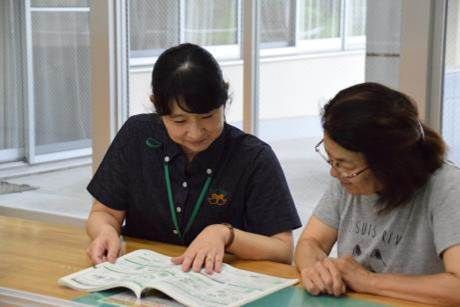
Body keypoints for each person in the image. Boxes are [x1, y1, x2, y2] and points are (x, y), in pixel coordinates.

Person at [86, 43, 301, 274]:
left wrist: (225, 235)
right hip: (142, 278)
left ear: (224, 100)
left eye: (208, 116)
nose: (196, 132)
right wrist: (106, 231)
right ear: (157, 106)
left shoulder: (253, 158)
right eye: (179, 121)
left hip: (217, 283)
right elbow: (104, 213)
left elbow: (282, 250)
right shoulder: (137, 135)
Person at [295, 82, 460, 305]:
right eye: (331, 160)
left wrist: (368, 281)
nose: (334, 172)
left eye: (343, 164)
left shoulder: (447, 187)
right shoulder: (349, 177)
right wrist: (315, 269)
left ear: (388, 164)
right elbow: (310, 242)